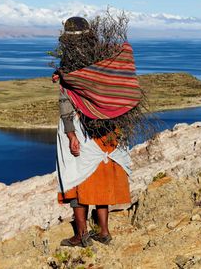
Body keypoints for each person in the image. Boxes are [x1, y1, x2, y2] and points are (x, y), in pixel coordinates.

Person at [52, 16, 142, 247]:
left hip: (81, 125)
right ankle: (103, 231)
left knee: (76, 176)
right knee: (102, 174)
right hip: (109, 125)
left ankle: (81, 234)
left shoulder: (70, 62)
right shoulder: (105, 55)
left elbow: (67, 102)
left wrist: (71, 135)